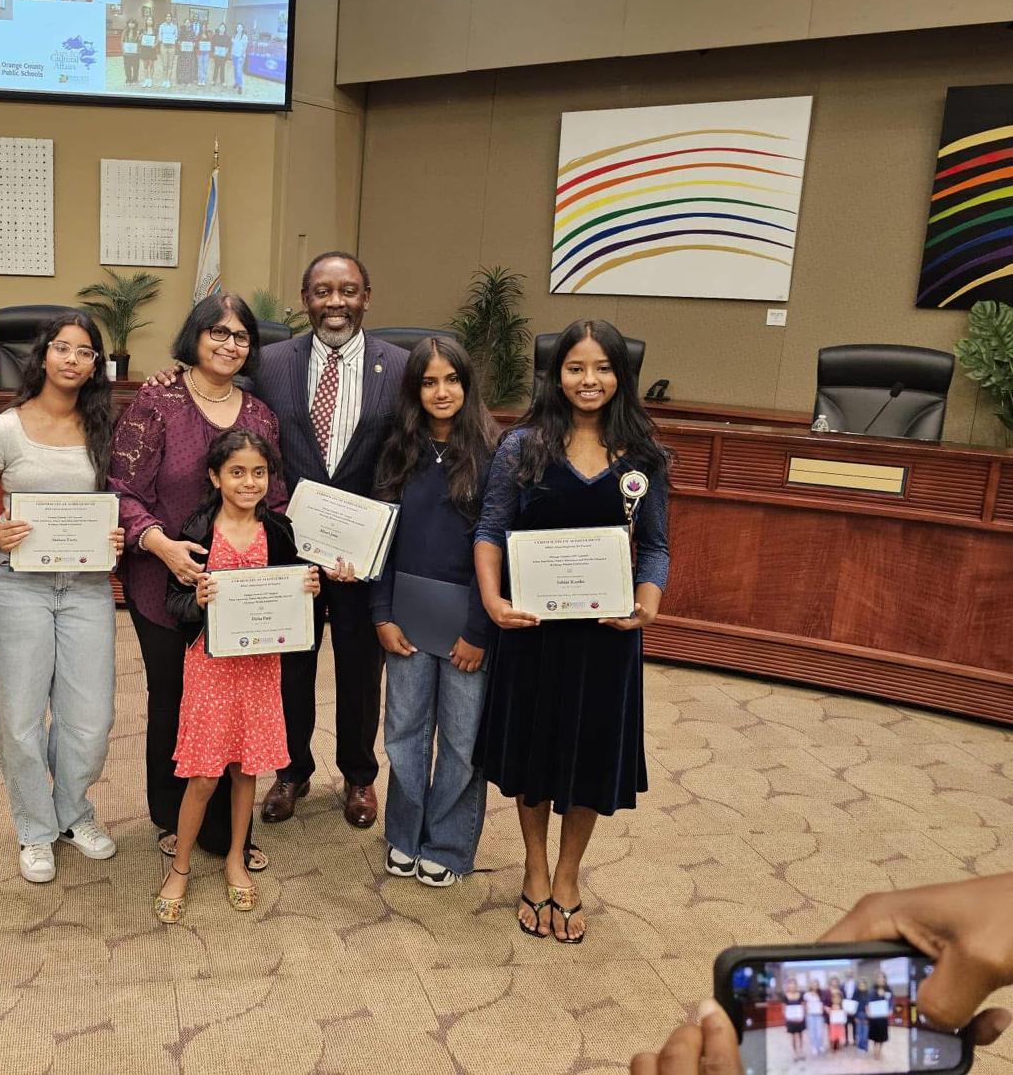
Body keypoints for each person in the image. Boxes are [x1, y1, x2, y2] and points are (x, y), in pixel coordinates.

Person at [476, 320, 670, 944]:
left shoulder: (644, 455)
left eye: (603, 368)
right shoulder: (522, 445)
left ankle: (568, 874)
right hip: (533, 630)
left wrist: (647, 603)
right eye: (576, 368)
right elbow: (490, 529)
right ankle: (534, 866)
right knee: (534, 752)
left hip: (606, 637)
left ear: (622, 375)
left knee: (588, 755)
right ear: (556, 375)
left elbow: (657, 546)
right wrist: (493, 600)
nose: (590, 381)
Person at [109, 294, 285, 872]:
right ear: (196, 336)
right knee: (175, 701)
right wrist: (161, 546)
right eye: (218, 333)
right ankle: (170, 814)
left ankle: (229, 831)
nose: (230, 344)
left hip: (243, 590)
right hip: (166, 584)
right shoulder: (156, 402)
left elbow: (275, 499)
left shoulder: (259, 415)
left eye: (241, 336)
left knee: (238, 703)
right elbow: (122, 490)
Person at [248, 253, 408, 831]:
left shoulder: (403, 366)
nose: (334, 302)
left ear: (368, 296)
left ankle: (360, 775)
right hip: (290, 546)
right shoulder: (267, 363)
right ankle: (290, 770)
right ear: (304, 297)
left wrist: (374, 533)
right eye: (321, 291)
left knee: (362, 667)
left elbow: (408, 454)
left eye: (347, 290)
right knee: (291, 663)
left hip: (364, 555)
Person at [0, 313, 125, 885]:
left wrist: (114, 533)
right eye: (62, 348)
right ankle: (35, 829)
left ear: (95, 366)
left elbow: (119, 500)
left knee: (89, 717)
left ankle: (73, 812)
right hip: (16, 585)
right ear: (42, 357)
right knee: (19, 718)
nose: (72, 359)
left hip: (85, 585)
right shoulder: (5, 430)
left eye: (84, 352)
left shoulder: (104, 427)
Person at [154, 429, 320, 923]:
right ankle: (180, 867)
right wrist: (197, 601)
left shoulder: (281, 530)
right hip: (210, 667)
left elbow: (296, 595)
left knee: (246, 768)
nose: (249, 482)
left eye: (259, 472)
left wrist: (307, 586)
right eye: (237, 472)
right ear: (215, 476)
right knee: (204, 774)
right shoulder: (198, 530)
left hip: (260, 668)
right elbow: (174, 602)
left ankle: (235, 855)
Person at [629, 873, 1013, 1074]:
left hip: (861, 1021)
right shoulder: (821, 996)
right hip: (815, 1022)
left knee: (862, 1043)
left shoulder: (862, 995)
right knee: (816, 1044)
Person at [372, 338, 499, 888]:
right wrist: (381, 614)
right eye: (428, 382)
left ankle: (447, 844)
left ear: (467, 387)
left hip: (468, 625)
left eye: (451, 380)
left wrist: (479, 630)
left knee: (462, 740)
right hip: (405, 619)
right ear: (414, 389)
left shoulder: (496, 454)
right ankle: (404, 834)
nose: (441, 391)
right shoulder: (398, 449)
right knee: (403, 731)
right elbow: (378, 541)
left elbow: (500, 548)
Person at [869, 971, 894, 1061]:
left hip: (883, 1017)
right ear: (876, 979)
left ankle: (879, 1050)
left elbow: (891, 1002)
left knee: (882, 1035)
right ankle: (875, 1049)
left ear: (885, 979)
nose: (881, 979)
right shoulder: (872, 990)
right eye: (879, 977)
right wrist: (868, 1011)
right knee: (875, 1035)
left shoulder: (888, 989)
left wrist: (891, 1009)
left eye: (883, 977)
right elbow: (869, 1002)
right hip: (874, 1017)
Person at [781, 977, 806, 1061]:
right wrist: (788, 1018)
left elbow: (803, 1007)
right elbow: (784, 1009)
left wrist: (802, 1016)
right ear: (788, 986)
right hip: (790, 1020)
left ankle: (801, 1052)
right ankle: (795, 1053)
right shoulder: (785, 996)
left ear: (796, 985)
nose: (792, 986)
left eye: (794, 984)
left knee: (800, 1036)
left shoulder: (800, 995)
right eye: (790, 984)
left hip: (800, 1019)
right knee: (792, 1037)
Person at [803, 976, 826, 1055]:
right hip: (810, 1015)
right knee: (812, 1032)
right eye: (813, 984)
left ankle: (820, 1045)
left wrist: (823, 1008)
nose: (815, 986)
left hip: (819, 1015)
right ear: (810, 985)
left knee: (819, 1032)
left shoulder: (821, 994)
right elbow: (804, 1005)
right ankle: (814, 1047)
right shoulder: (806, 994)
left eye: (816, 984)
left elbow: (823, 1004)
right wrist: (806, 1009)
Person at [156, 14, 179, 88]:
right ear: (165, 18)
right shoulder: (162, 26)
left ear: (171, 18)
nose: (168, 18)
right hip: (163, 46)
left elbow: (176, 36)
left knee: (170, 64)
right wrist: (163, 40)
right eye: (167, 16)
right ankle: (165, 80)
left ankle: (168, 80)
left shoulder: (174, 26)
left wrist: (172, 40)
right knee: (164, 64)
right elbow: (160, 36)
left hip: (172, 46)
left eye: (170, 16)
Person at [138, 14, 158, 88]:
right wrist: (140, 37)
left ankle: (150, 80)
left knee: (151, 65)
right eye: (148, 20)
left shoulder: (155, 30)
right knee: (145, 65)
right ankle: (146, 79)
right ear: (146, 21)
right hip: (144, 49)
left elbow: (157, 40)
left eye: (151, 20)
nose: (149, 21)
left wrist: (155, 45)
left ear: (153, 22)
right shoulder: (143, 30)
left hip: (152, 49)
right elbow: (139, 40)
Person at [121, 19, 141, 85]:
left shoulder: (138, 32)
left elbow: (140, 42)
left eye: (133, 23)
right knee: (127, 67)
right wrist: (123, 49)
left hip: (135, 53)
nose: (131, 24)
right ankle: (128, 79)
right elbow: (122, 41)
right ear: (128, 24)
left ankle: (135, 79)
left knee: (135, 67)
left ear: (135, 25)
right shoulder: (125, 32)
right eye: (130, 23)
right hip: (127, 53)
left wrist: (139, 37)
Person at [230, 22, 248, 94]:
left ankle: (240, 86)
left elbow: (244, 47)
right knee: (235, 70)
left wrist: (241, 56)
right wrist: (231, 54)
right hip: (234, 55)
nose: (239, 28)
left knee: (239, 71)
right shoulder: (234, 35)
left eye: (240, 27)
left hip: (240, 57)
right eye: (238, 27)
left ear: (242, 28)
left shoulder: (244, 36)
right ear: (236, 28)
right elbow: (232, 45)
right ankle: (236, 82)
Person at [211, 22, 230, 86]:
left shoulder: (227, 37)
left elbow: (228, 46)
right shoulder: (215, 36)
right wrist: (214, 52)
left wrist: (225, 52)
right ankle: (214, 80)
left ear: (225, 29)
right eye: (221, 27)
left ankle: (222, 81)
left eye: (223, 27)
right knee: (216, 68)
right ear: (219, 28)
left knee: (222, 68)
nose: (222, 28)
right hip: (216, 55)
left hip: (223, 55)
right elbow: (212, 44)